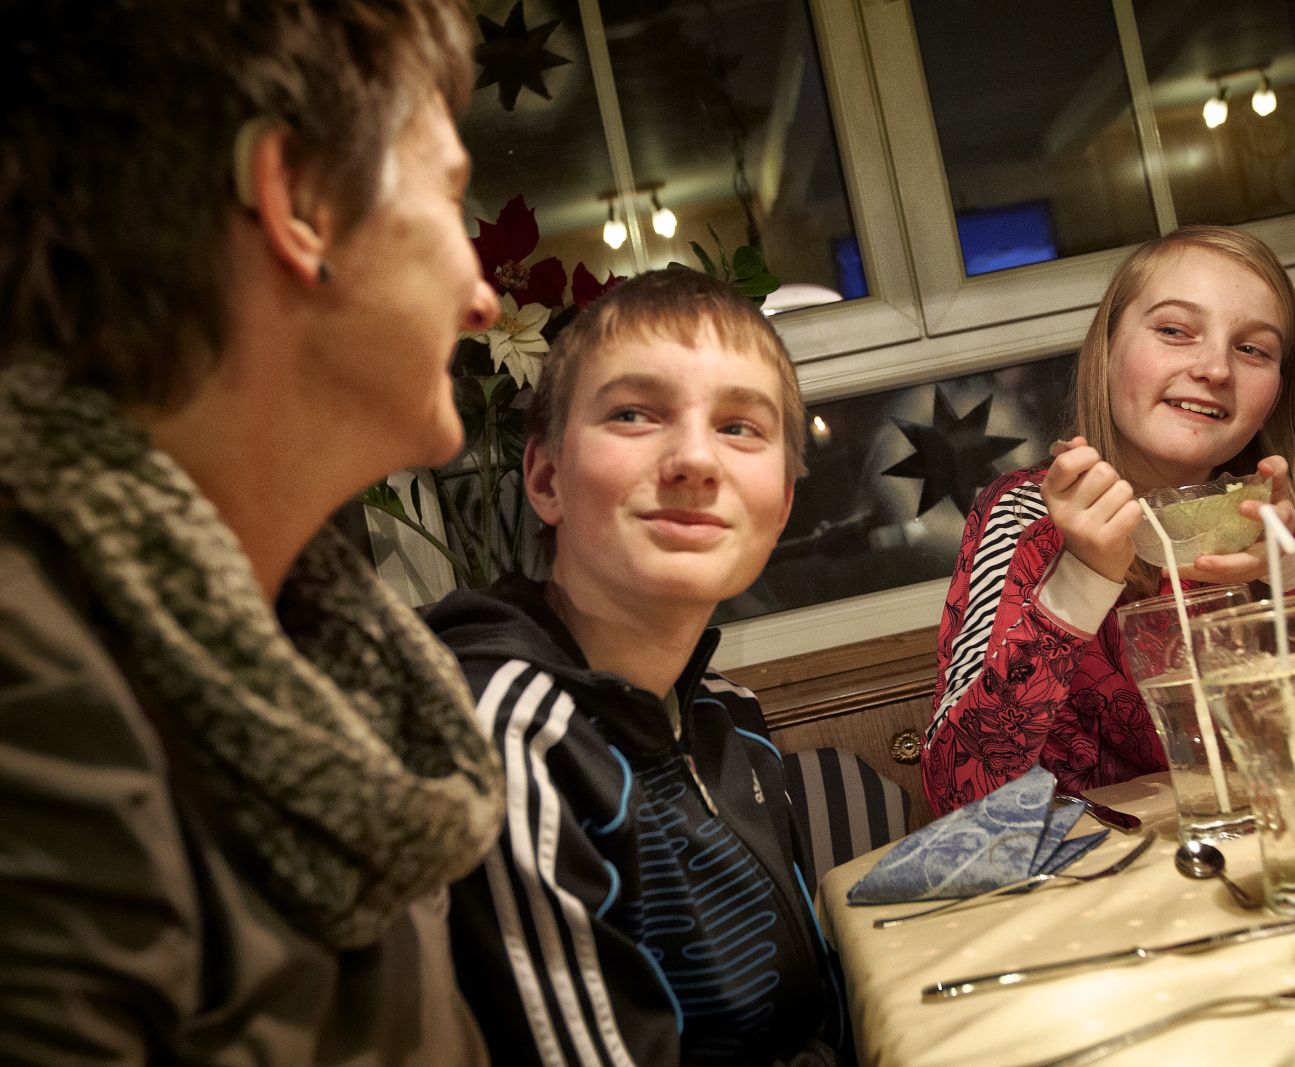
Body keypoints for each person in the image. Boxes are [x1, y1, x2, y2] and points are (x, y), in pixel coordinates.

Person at [0, 2, 506, 1062]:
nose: (483, 297)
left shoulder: (328, 649)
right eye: (451, 197)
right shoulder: (34, 691)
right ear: (300, 202)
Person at [426, 269, 850, 1066]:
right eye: (632, 414)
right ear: (546, 479)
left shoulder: (726, 711)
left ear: (782, 507)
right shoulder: (501, 733)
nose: (694, 459)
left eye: (740, 427)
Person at [922, 225, 1295, 816]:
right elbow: (958, 794)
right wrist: (1082, 577)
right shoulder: (1026, 514)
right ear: (1107, 351)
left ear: (1278, 391)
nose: (1216, 369)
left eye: (1253, 349)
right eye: (1175, 331)